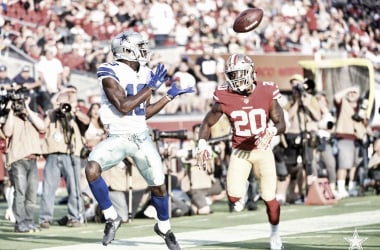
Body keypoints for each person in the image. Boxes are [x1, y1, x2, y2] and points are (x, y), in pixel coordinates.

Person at [85, 30, 193, 249]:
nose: (145, 50)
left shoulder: (145, 72)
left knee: (159, 186)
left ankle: (164, 227)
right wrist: (151, 87)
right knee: (91, 169)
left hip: (141, 137)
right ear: (126, 50)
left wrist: (167, 97)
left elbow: (141, 112)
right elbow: (124, 106)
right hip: (117, 136)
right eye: (140, 46)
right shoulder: (108, 71)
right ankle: (111, 216)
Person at [196, 53, 286, 250]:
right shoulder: (224, 95)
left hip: (262, 150)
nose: (237, 79)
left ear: (251, 71)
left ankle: (275, 232)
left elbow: (281, 123)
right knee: (234, 198)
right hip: (240, 151)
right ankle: (243, 188)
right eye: (232, 75)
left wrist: (271, 130)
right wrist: (202, 143)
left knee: (269, 197)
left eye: (240, 73)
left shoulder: (266, 90)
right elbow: (207, 122)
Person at [39, 87, 89, 229]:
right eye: (60, 102)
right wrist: (55, 108)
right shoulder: (51, 114)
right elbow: (43, 127)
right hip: (54, 154)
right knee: (48, 188)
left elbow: (86, 121)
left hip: (71, 155)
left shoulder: (74, 115)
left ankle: (75, 217)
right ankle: (45, 218)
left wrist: (74, 110)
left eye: (65, 102)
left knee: (74, 188)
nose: (63, 106)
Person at [2, 92, 46, 232]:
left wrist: (27, 107)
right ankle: (20, 223)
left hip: (32, 159)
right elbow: (7, 132)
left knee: (31, 194)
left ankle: (28, 221)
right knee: (20, 192)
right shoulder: (11, 118)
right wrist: (10, 110)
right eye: (19, 103)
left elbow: (42, 127)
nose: (20, 106)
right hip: (18, 160)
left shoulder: (31, 118)